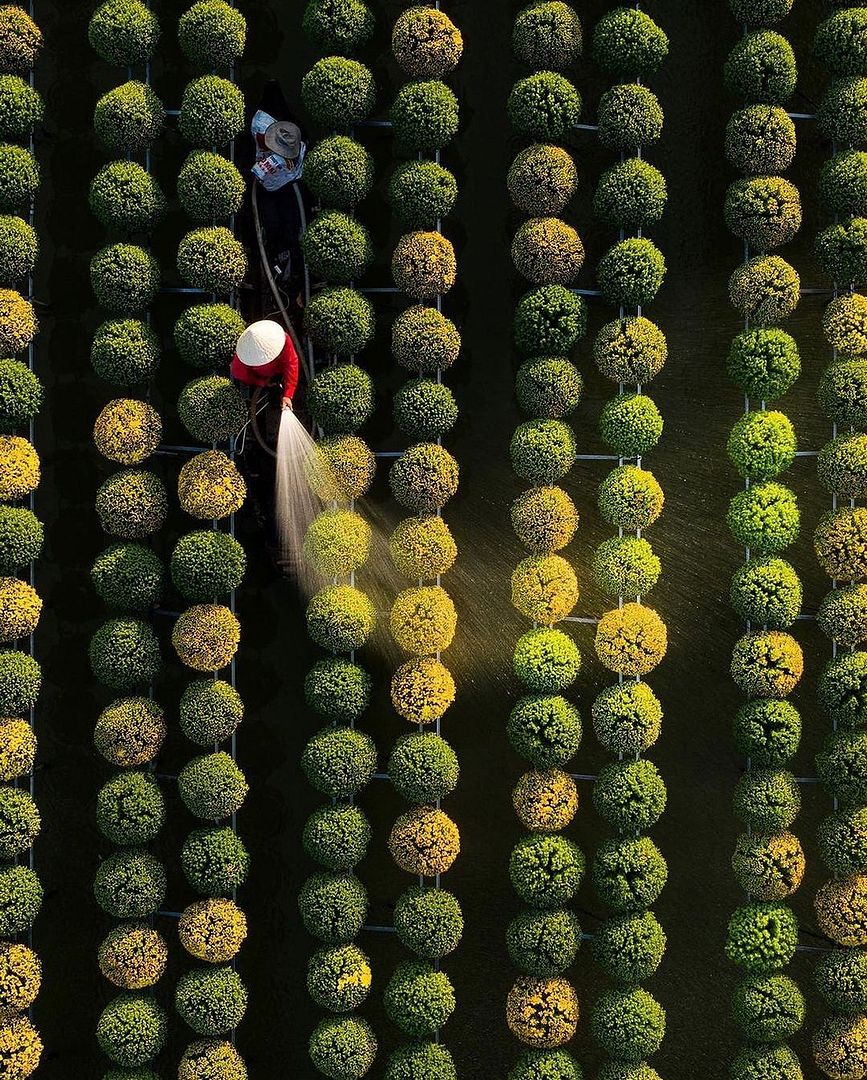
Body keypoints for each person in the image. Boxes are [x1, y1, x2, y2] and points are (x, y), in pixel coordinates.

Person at [231, 319, 299, 409]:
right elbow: (239, 373)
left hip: (280, 372)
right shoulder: (241, 359)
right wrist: (262, 382)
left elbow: (291, 364)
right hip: (260, 378)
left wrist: (288, 394)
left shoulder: (283, 339)